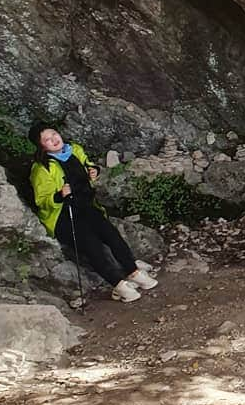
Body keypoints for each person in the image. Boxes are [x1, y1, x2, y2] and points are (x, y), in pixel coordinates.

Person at [28, 123, 158, 303]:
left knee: (111, 235)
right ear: (42, 146)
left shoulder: (74, 150)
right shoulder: (42, 168)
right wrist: (59, 195)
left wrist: (93, 170)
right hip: (63, 216)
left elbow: (88, 165)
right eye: (47, 139)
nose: (54, 140)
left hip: (87, 206)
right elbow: (41, 200)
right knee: (93, 246)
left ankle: (133, 271)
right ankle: (119, 285)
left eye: (54, 134)